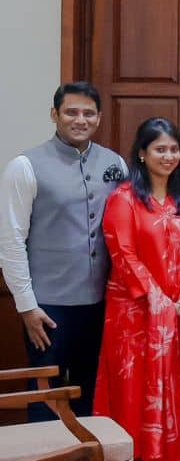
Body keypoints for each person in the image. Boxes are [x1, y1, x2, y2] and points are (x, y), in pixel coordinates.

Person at [95, 118, 180, 461]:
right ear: (142, 153)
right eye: (160, 149)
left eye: (174, 149)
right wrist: (162, 303)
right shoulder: (123, 200)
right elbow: (123, 256)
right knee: (134, 396)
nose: (168, 156)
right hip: (135, 319)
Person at [0, 82, 126, 421]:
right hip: (48, 308)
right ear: (55, 114)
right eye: (71, 112)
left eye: (88, 113)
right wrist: (27, 306)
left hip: (101, 304)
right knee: (47, 397)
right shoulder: (25, 166)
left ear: (99, 118)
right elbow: (10, 242)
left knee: (91, 394)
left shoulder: (115, 164)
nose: (79, 119)